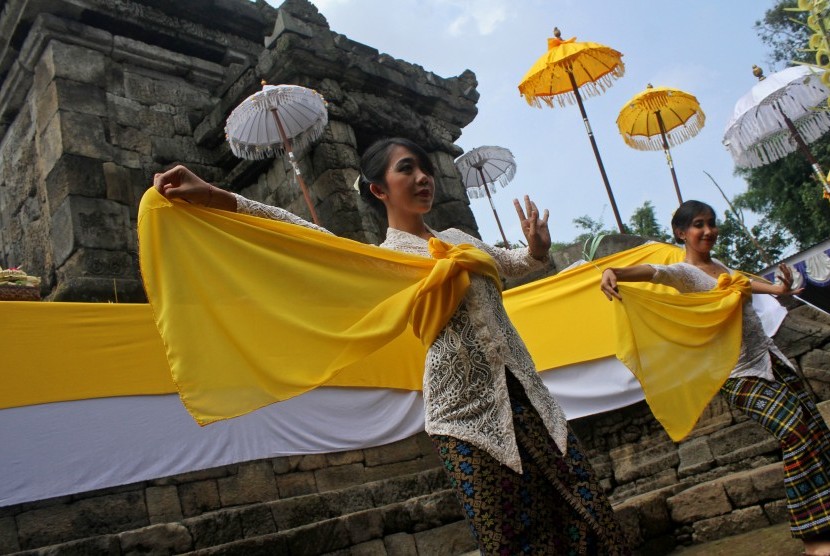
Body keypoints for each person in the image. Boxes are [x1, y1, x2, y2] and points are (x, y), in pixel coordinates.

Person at [154, 137, 630, 555]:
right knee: (512, 535)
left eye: (425, 169)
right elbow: (305, 235)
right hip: (462, 417)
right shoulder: (386, 262)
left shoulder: (461, 240)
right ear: (378, 190)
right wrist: (219, 197)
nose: (423, 177)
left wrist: (539, 250)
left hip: (529, 396)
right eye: (407, 169)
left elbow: (515, 263)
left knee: (584, 510)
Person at [600, 199, 830, 556]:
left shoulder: (719, 266)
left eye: (711, 223)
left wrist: (778, 290)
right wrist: (613, 271)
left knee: (815, 432)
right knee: (795, 433)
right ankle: (815, 536)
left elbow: (743, 284)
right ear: (681, 233)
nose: (708, 231)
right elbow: (651, 272)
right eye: (698, 225)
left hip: (772, 360)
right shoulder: (685, 272)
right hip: (739, 374)